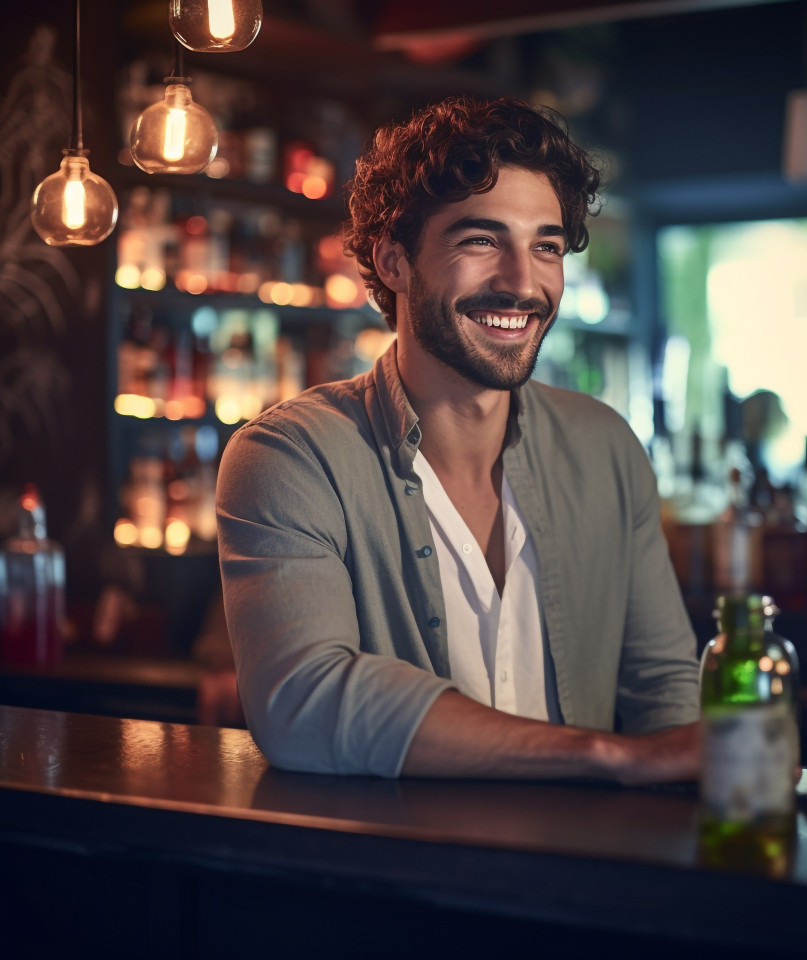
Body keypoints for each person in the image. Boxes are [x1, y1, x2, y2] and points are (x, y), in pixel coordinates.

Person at [217, 95, 700, 783]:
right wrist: (602, 754)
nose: (522, 282)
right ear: (394, 261)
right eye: (481, 240)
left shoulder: (606, 449)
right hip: (387, 877)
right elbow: (303, 704)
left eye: (547, 247)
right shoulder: (292, 457)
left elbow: (667, 694)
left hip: (585, 876)